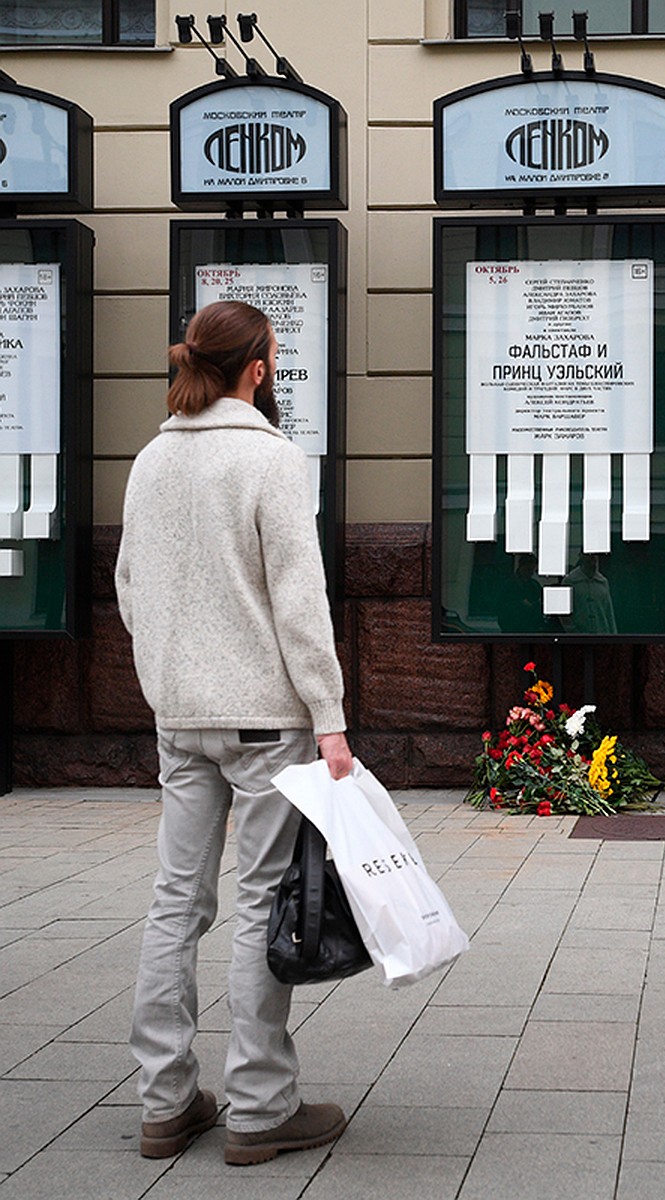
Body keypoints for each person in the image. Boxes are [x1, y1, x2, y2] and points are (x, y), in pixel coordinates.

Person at [116, 300, 353, 1167]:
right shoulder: (270, 458)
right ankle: (257, 1108)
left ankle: (165, 1102)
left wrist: (168, 679)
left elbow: (130, 586)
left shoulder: (149, 459)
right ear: (256, 369)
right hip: (264, 719)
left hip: (180, 714)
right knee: (259, 902)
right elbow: (300, 601)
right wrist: (330, 719)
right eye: (275, 360)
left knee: (174, 902)